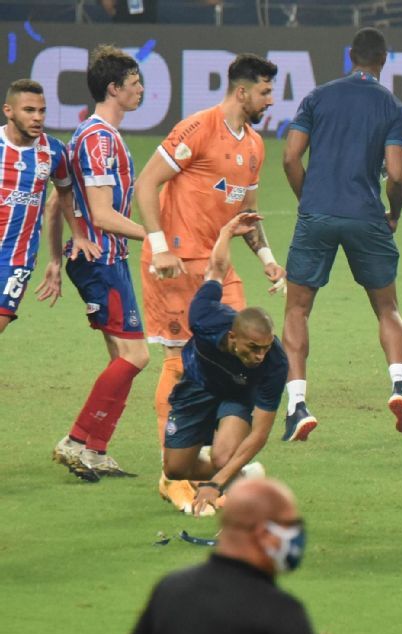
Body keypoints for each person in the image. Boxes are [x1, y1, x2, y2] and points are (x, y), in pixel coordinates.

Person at [135, 53, 284, 510]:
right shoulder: (197, 128)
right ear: (242, 92)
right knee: (181, 363)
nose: (270, 100)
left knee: (239, 357)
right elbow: (146, 184)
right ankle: (172, 474)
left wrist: (266, 257)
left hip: (219, 268)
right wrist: (159, 245)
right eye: (264, 91)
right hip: (175, 263)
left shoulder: (255, 145)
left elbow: (246, 213)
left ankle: (220, 464)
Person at [109, 477, 362, 634]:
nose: (297, 536)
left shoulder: (170, 591)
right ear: (264, 533)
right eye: (289, 525)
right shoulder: (278, 610)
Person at [281, 27, 402, 441]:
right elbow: (395, 173)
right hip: (366, 216)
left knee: (297, 310)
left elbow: (289, 156)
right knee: (387, 307)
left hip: (317, 213)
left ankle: (298, 406)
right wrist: (394, 211)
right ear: (383, 60)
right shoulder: (393, 107)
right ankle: (400, 386)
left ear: (351, 57)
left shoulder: (318, 97)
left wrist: (311, 200)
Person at [52, 45, 150, 482]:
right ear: (114, 89)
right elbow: (104, 214)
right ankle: (75, 440)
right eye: (134, 84)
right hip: (102, 259)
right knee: (137, 355)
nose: (141, 90)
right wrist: (160, 237)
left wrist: (59, 255)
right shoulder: (98, 139)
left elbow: (61, 200)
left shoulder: (93, 135)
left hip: (105, 257)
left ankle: (96, 450)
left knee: (121, 357)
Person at [160, 212, 287, 517]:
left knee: (224, 456)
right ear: (233, 338)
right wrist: (227, 231)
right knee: (176, 469)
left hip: (236, 395)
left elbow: (260, 432)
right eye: (253, 348)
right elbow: (216, 270)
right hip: (197, 386)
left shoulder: (275, 363)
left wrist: (214, 484)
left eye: (265, 348)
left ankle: (230, 476)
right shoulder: (205, 317)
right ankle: (244, 475)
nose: (260, 355)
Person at [0, 79, 76, 334]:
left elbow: (64, 196)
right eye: (29, 110)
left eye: (42, 111)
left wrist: (61, 254)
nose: (37, 117)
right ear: (8, 111)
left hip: (15, 260)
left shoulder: (54, 151)